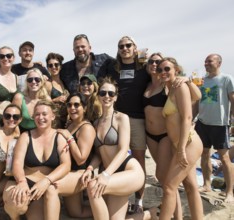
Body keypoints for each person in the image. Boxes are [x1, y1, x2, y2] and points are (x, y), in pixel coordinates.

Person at [81, 77, 154, 220]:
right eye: (103, 93)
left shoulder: (122, 118)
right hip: (112, 176)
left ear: (115, 97)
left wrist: (106, 175)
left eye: (110, 94)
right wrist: (89, 169)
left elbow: (123, 150)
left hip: (129, 171)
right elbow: (99, 155)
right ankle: (149, 214)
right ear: (98, 95)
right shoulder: (96, 123)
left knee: (92, 187)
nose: (106, 96)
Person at [143, 53, 201, 219]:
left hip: (188, 142)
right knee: (190, 187)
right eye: (160, 69)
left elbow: (188, 117)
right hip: (179, 144)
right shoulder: (171, 89)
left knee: (169, 187)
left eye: (167, 68)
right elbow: (197, 96)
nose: (163, 71)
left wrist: (181, 148)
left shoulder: (179, 87)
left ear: (176, 70)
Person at [98, 36, 150, 212]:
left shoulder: (144, 66)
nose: (125, 48)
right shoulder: (113, 68)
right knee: (113, 156)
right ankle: (120, 194)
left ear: (135, 47)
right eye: (121, 46)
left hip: (136, 118)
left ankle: (139, 201)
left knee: (138, 158)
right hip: (116, 117)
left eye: (128, 45)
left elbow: (162, 74)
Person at [3, 100, 71, 220]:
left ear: (53, 116)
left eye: (44, 114)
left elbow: (66, 165)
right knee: (17, 205)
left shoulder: (59, 137)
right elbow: (17, 164)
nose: (41, 117)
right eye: (37, 114)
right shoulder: (26, 136)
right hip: (23, 181)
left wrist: (47, 180)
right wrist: (22, 182)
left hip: (42, 188)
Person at [45, 92, 95, 219]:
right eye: (69, 105)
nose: (72, 108)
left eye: (76, 105)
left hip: (81, 173)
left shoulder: (86, 128)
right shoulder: (71, 125)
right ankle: (110, 210)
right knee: (75, 213)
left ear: (84, 107)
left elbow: (80, 159)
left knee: (52, 188)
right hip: (70, 172)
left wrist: (68, 137)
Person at [195, 53, 234, 203]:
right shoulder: (203, 81)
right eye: (205, 61)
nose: (206, 64)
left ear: (219, 63)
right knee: (204, 154)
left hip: (220, 124)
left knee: (224, 158)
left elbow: (232, 99)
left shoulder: (226, 79)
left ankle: (229, 192)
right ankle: (207, 184)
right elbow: (199, 102)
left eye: (209, 61)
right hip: (203, 123)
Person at [12, 68, 51, 133]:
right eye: (30, 80)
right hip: (21, 133)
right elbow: (13, 119)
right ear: (26, 83)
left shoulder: (47, 99)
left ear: (42, 82)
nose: (33, 82)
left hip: (41, 133)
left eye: (37, 79)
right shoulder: (19, 98)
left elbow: (50, 122)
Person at [45, 52, 69, 128]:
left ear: (60, 66)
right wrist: (56, 99)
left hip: (67, 121)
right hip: (55, 122)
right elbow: (42, 103)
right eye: (50, 65)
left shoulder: (65, 81)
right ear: (48, 68)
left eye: (56, 64)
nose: (53, 67)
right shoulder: (47, 84)